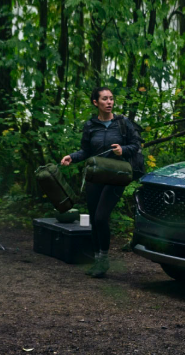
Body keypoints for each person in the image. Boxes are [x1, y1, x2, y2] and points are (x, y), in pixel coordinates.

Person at [61, 86, 142, 278]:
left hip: (116, 176)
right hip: (95, 176)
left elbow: (136, 145)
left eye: (111, 99)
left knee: (100, 218)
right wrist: (72, 157)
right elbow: (86, 151)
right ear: (95, 102)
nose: (109, 102)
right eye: (104, 99)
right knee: (93, 220)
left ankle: (104, 259)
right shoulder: (90, 125)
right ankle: (97, 259)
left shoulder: (123, 123)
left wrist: (123, 150)